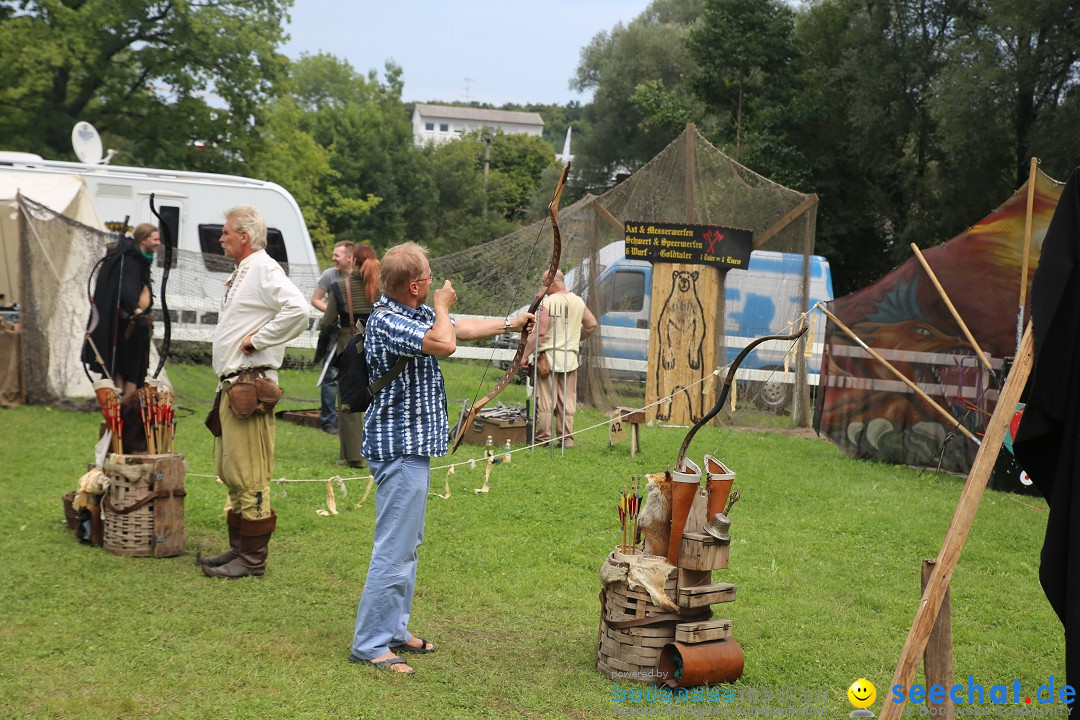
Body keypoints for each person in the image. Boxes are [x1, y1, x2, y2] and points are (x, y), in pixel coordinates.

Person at [349, 242, 533, 673]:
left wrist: (510, 321)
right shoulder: (389, 320)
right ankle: (371, 643)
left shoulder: (408, 313)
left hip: (411, 451)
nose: (436, 281)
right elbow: (445, 341)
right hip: (399, 450)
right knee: (393, 550)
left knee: (406, 546)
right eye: (429, 277)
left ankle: (394, 630)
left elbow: (460, 327)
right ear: (415, 286)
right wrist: (442, 304)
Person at [199, 205, 309, 579]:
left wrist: (259, 339)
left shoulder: (263, 267)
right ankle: (238, 551)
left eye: (226, 232)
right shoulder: (244, 271)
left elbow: (297, 310)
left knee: (250, 474)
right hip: (233, 385)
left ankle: (252, 560)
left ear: (244, 236)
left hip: (249, 386)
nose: (221, 238)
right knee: (231, 471)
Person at [520, 269, 597, 448]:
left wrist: (525, 355)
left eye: (544, 283)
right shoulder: (578, 301)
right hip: (570, 358)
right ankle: (567, 440)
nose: (542, 287)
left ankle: (543, 439)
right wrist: (575, 338)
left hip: (548, 358)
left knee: (546, 401)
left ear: (551, 282)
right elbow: (591, 324)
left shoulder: (549, 302)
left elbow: (540, 333)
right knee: (566, 402)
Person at [82, 223, 161, 396]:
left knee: (129, 367)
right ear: (144, 239)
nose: (158, 243)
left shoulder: (139, 258)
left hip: (133, 324)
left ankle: (125, 404)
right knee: (127, 368)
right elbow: (127, 291)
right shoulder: (131, 260)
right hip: (128, 324)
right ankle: (125, 405)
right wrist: (138, 312)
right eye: (155, 239)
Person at [322, 243, 380, 468]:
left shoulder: (339, 288)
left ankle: (355, 457)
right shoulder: (382, 289)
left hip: (350, 347)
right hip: (378, 348)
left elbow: (327, 322)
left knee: (348, 402)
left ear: (354, 262)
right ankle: (354, 454)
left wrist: (322, 348)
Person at [311, 241, 355, 434]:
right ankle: (328, 422)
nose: (333, 258)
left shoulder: (361, 276)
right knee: (330, 377)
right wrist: (335, 314)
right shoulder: (330, 275)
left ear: (350, 258)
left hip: (356, 334)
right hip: (335, 332)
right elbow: (315, 299)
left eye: (337, 255)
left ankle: (352, 420)